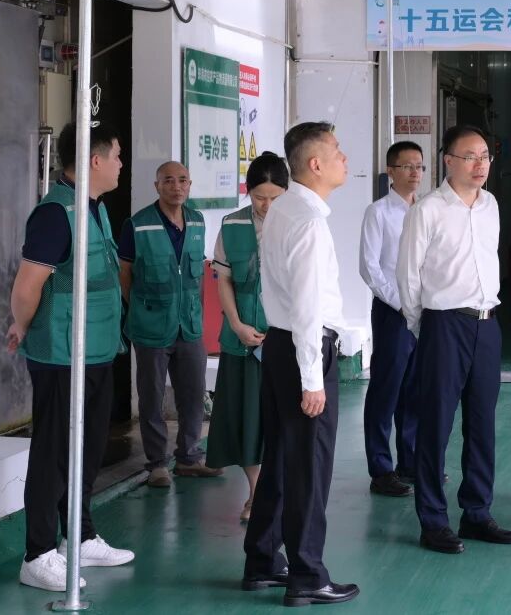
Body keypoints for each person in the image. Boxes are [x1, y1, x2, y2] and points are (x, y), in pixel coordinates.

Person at [6, 122, 135, 592]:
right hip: (62, 353)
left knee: (88, 448)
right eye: (116, 155)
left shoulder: (95, 208)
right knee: (54, 453)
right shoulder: (55, 214)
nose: (121, 164)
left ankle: (79, 536)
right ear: (94, 160)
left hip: (96, 350)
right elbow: (27, 286)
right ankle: (38, 553)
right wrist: (22, 325)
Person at [241, 123, 359, 607]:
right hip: (302, 349)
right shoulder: (307, 221)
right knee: (309, 465)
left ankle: (263, 559)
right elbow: (309, 308)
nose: (344, 158)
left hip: (280, 345)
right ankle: (308, 574)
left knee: (281, 460)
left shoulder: (284, 209)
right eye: (337, 151)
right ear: (315, 164)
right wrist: (313, 379)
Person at [398, 124, 511, 554]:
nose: (480, 164)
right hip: (444, 324)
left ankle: (477, 513)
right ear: (448, 161)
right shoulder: (428, 210)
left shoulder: (491, 206)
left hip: (487, 324)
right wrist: (423, 326)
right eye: (470, 156)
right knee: (436, 424)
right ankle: (433, 520)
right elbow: (408, 276)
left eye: (485, 156)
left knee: (482, 423)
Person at [118, 161, 219, 489]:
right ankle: (157, 464)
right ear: (157, 186)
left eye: (182, 180)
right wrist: (139, 308)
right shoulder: (138, 225)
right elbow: (124, 273)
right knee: (152, 396)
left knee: (193, 393)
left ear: (189, 185)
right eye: (169, 181)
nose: (177, 187)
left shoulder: (197, 220)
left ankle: (189, 458)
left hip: (188, 324)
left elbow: (196, 275)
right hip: (151, 325)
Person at [209, 152, 290, 522]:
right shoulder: (232, 225)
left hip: (283, 339)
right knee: (246, 417)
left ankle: (277, 490)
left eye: (275, 197)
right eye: (259, 197)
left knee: (280, 419)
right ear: (248, 191)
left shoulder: (298, 225)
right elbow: (224, 281)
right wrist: (237, 325)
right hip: (242, 340)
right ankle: (256, 493)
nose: (267, 205)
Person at [361, 141, 424, 498]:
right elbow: (369, 267)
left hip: (423, 312)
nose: (415, 173)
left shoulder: (426, 210)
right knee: (386, 390)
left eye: (419, 166)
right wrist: (401, 304)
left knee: (414, 389)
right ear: (391, 172)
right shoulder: (379, 212)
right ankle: (381, 469)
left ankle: (410, 462)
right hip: (393, 311)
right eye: (408, 166)